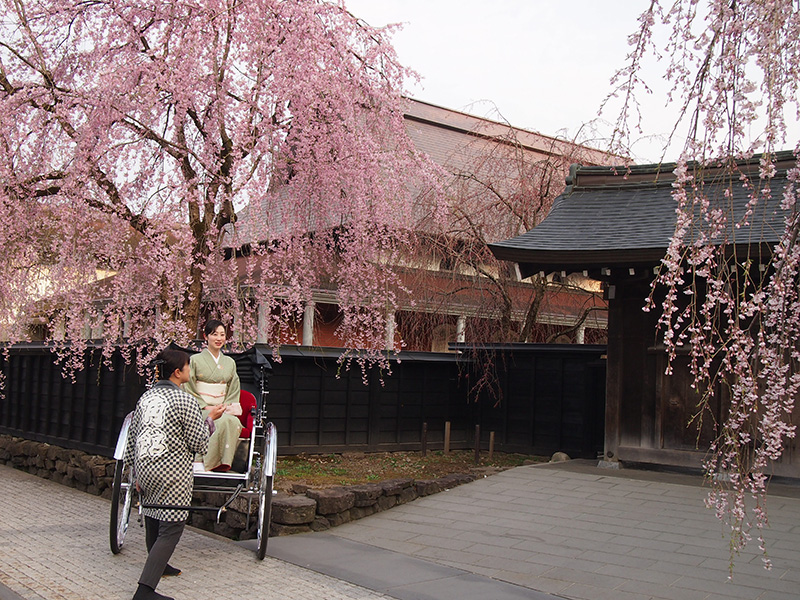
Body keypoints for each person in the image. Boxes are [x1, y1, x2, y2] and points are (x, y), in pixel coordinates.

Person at [124, 348, 221, 600]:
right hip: (172, 472)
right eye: (188, 367)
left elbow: (132, 438)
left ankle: (160, 566)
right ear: (178, 373)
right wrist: (209, 419)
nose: (190, 370)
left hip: (145, 467)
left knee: (153, 515)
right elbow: (199, 444)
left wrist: (134, 473)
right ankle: (144, 591)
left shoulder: (145, 398)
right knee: (172, 528)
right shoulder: (185, 400)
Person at [184, 319, 243, 472]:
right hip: (200, 407)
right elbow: (188, 385)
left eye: (222, 335)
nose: (219, 338)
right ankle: (201, 461)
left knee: (231, 421)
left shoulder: (230, 362)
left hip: (222, 407)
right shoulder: (194, 360)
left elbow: (233, 387)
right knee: (217, 420)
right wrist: (205, 406)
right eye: (214, 334)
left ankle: (222, 462)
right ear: (206, 336)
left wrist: (226, 406)